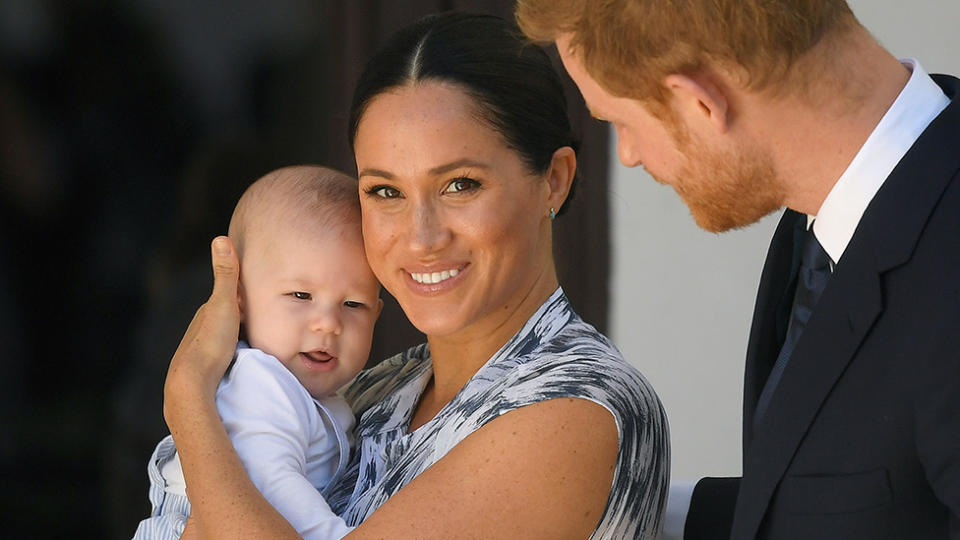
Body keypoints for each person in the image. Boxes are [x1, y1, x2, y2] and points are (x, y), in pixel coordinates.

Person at [161, 12, 669, 540]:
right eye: (385, 192)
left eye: (460, 185)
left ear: (554, 182)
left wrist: (189, 399)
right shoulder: (381, 388)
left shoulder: (574, 407)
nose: (421, 238)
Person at [516, 0, 960, 538]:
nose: (628, 155)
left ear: (699, 103)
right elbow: (853, 500)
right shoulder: (827, 220)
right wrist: (604, 509)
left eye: (619, 122)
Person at [134, 165, 382, 539]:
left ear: (377, 314)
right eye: (301, 296)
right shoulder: (260, 384)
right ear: (240, 299)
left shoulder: (315, 394)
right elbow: (271, 483)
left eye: (353, 304)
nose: (328, 323)